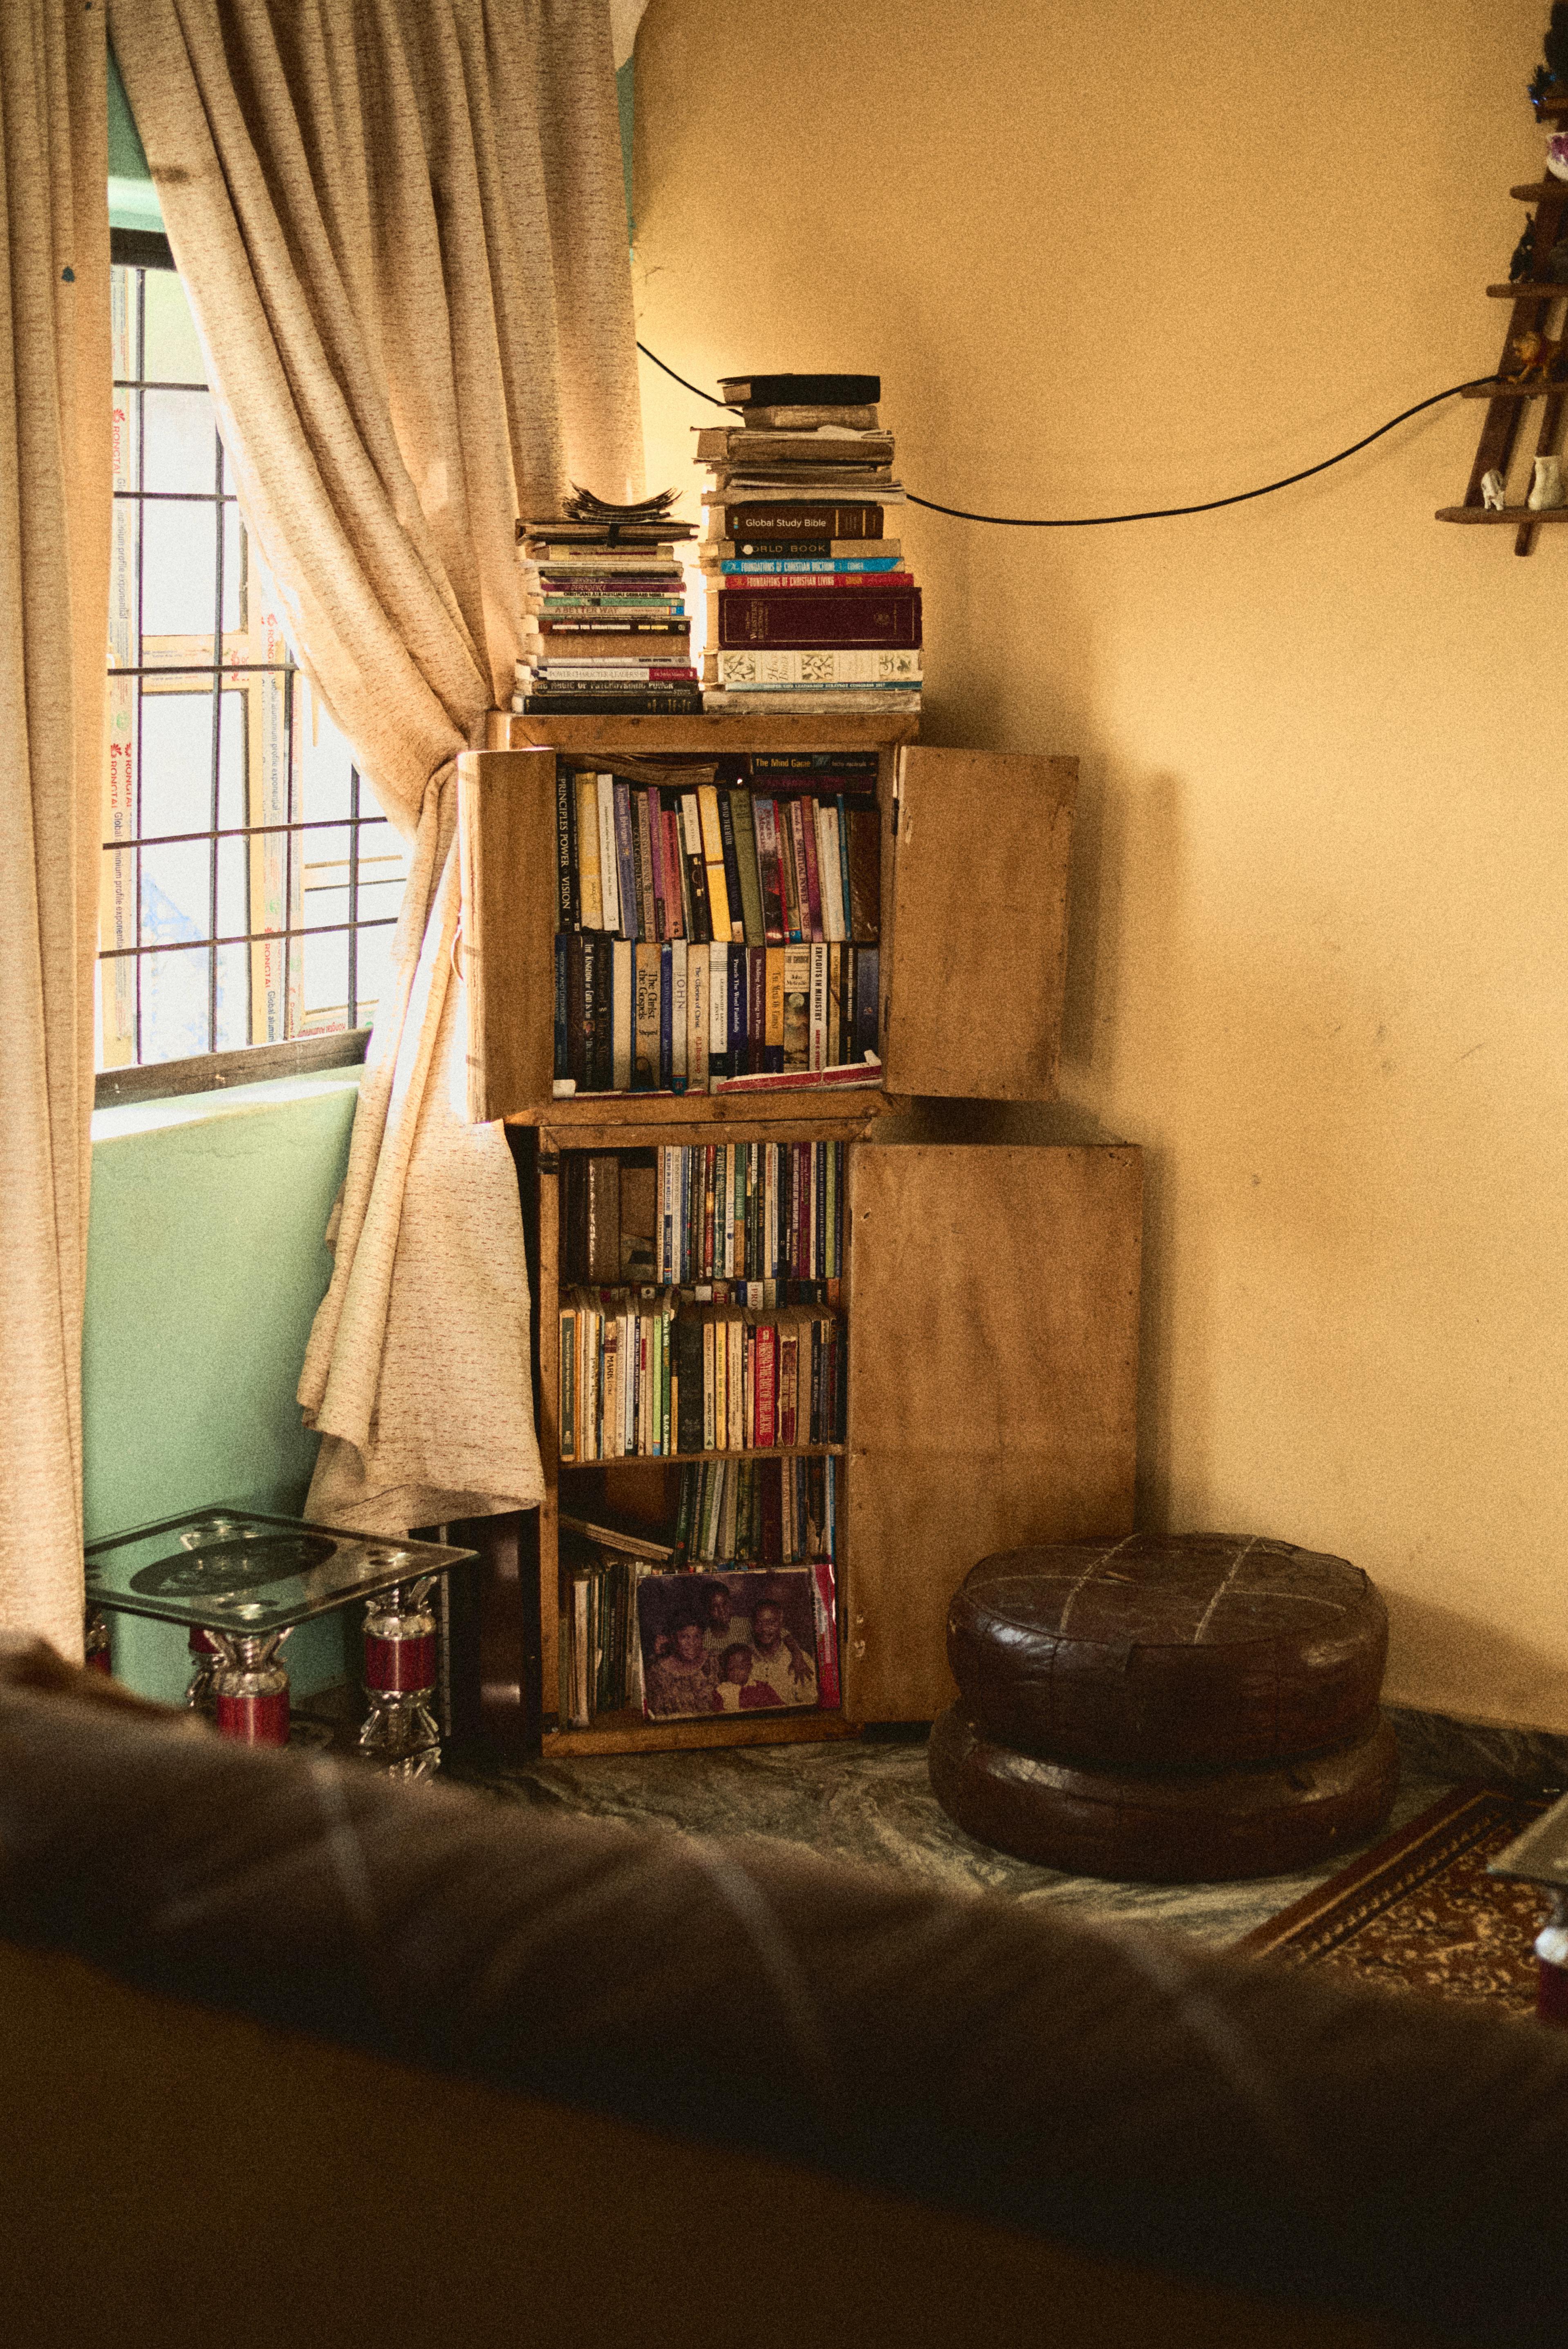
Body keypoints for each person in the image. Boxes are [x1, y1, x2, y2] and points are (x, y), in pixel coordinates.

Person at [747, 1599, 816, 1707]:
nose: (765, 1629)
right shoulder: (744, 1658)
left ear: (781, 1622)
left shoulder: (800, 1661)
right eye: (759, 1623)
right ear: (752, 1624)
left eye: (771, 1623)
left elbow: (810, 1704)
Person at [643, 1617, 718, 1717]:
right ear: (673, 1639)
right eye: (685, 1637)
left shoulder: (713, 1662)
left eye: (697, 1637)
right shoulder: (656, 1672)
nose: (692, 1643)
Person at [711, 1642, 782, 1711]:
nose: (736, 1673)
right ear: (726, 1669)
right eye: (731, 1669)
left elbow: (781, 1709)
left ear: (750, 1668)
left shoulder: (763, 1688)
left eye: (741, 1668)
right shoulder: (721, 1691)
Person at [701, 1580, 751, 1666]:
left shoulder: (746, 1625)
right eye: (715, 1607)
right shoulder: (704, 1639)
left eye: (725, 1604)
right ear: (707, 1611)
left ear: (731, 1602)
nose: (722, 1611)